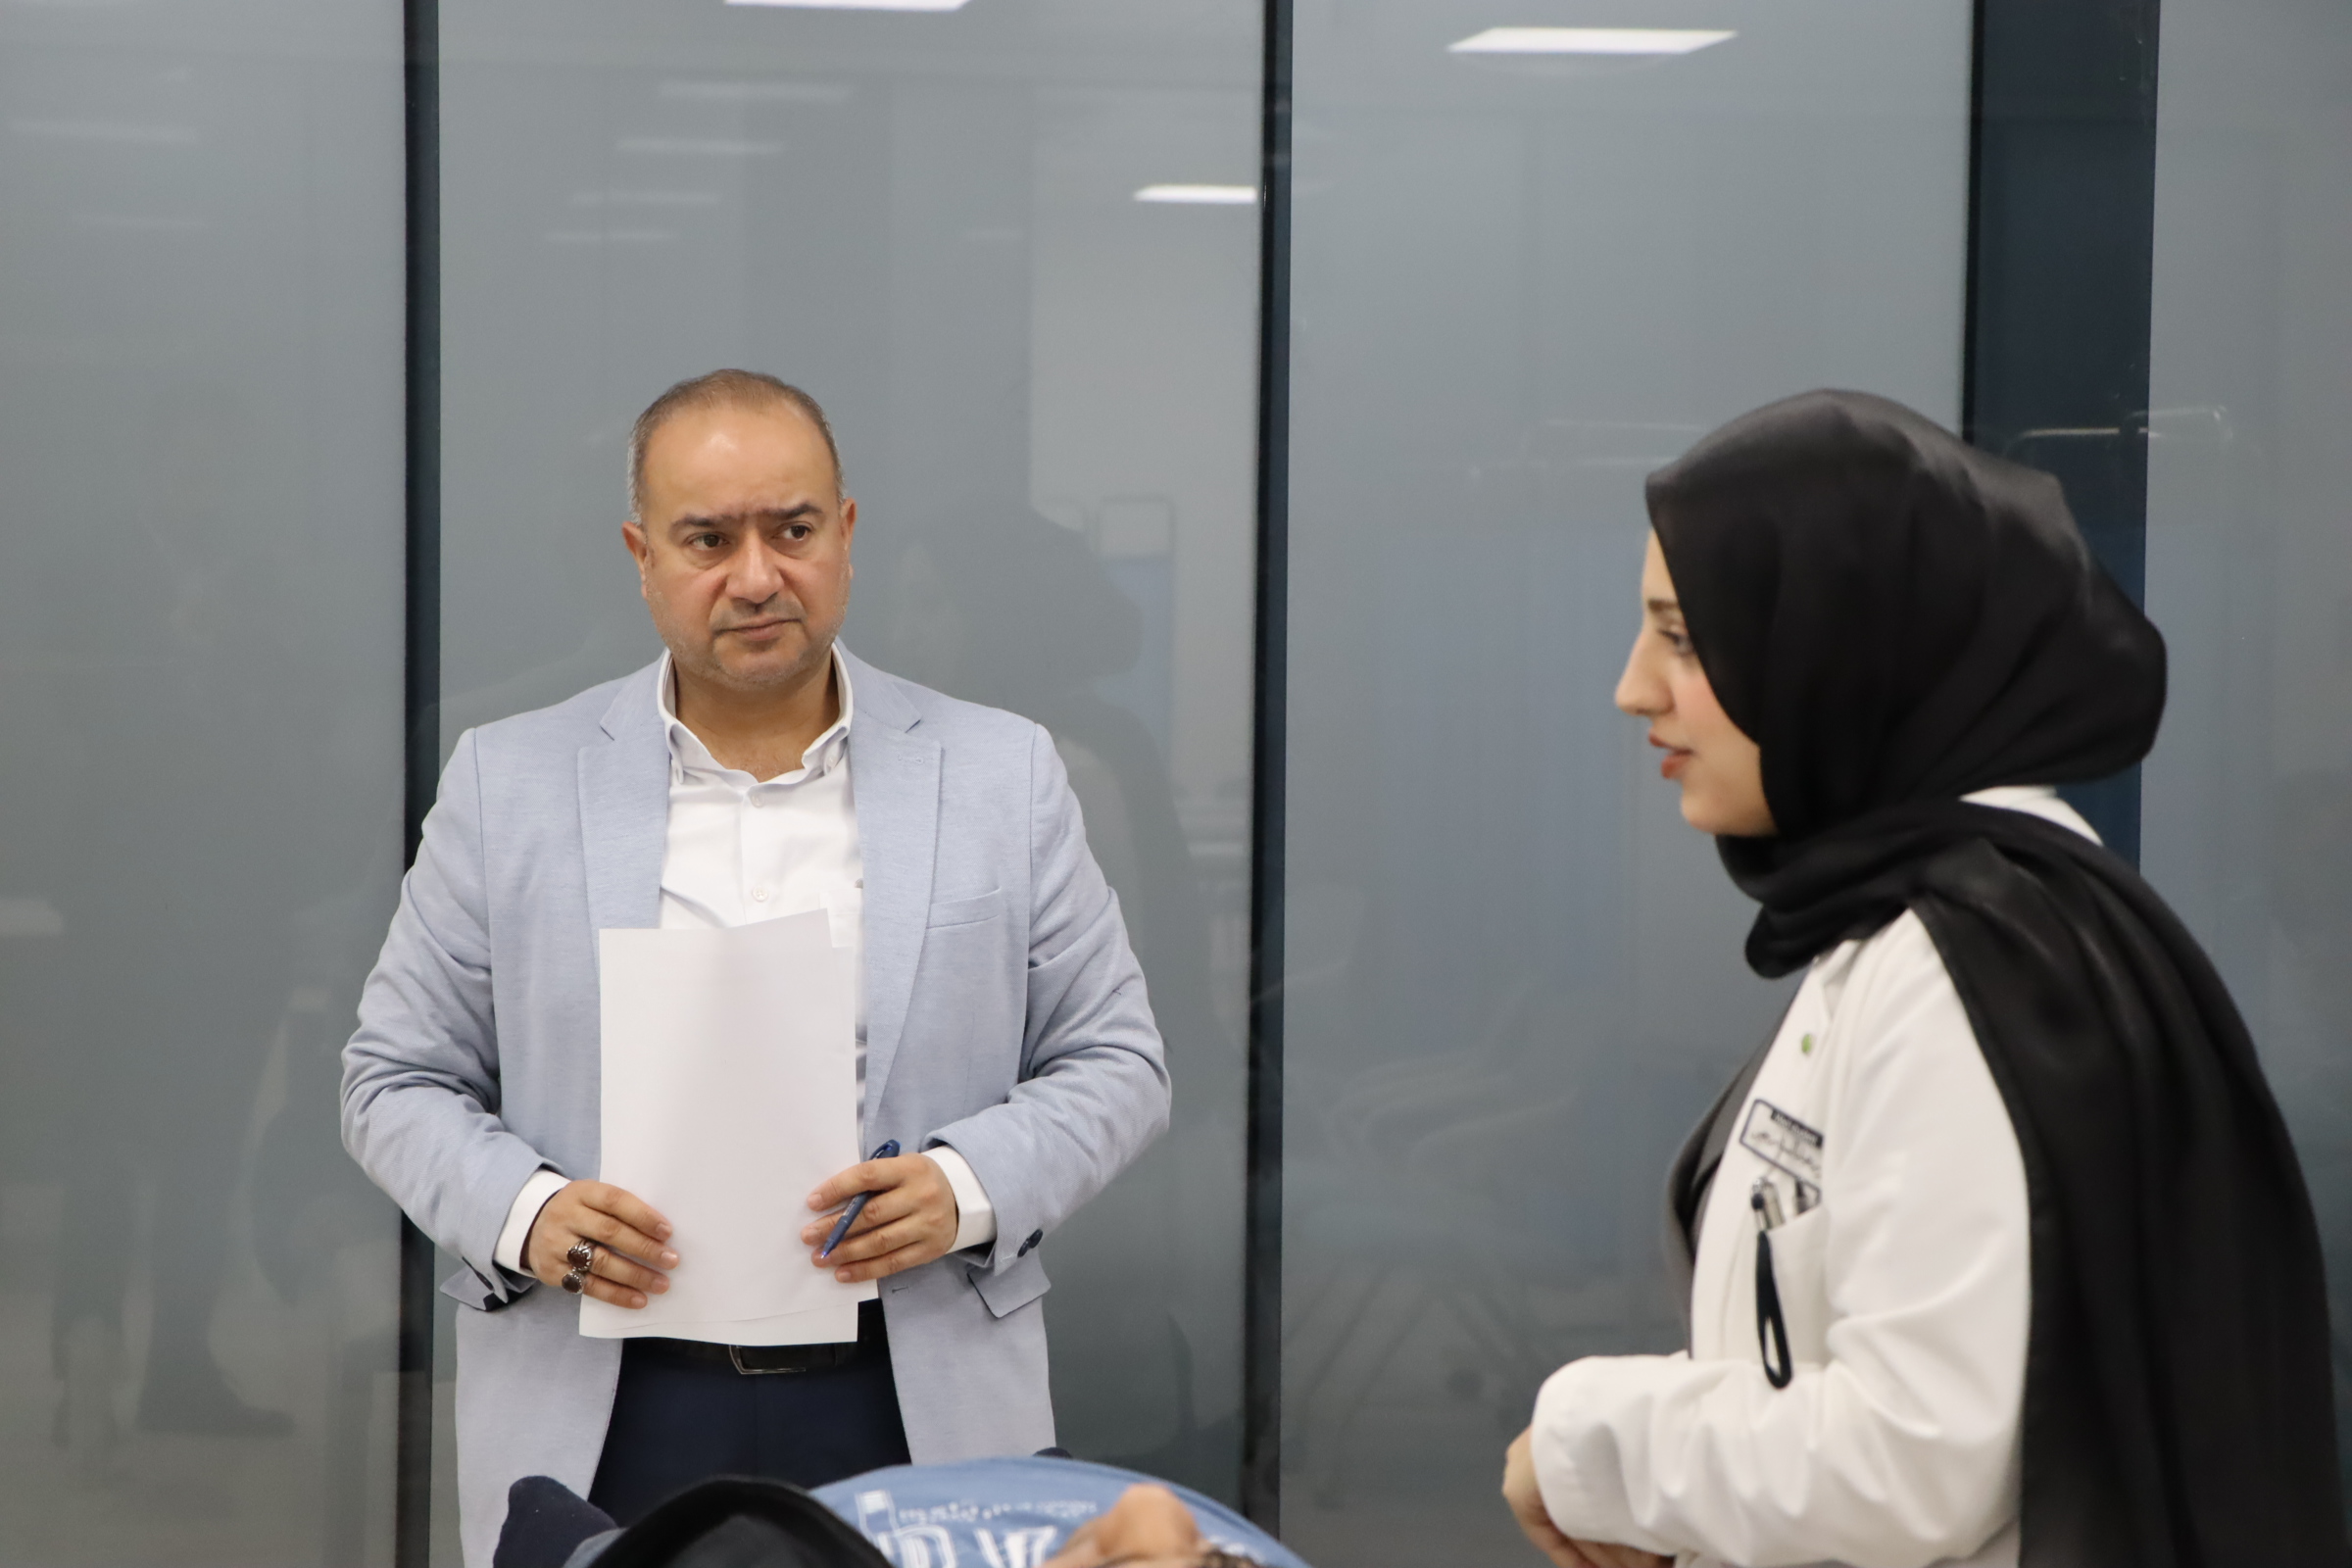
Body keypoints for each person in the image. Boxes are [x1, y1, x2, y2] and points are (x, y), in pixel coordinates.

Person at [1500, 390, 2345, 1567]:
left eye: (1685, 638)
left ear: (1836, 649)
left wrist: (1588, 1442)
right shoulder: (1925, 917)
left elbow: (1914, 1453)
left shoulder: (1968, 963)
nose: (1635, 687)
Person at [343, 369, 1170, 1567]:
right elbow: (393, 1078)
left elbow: (1119, 1061)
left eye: (791, 529)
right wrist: (527, 1213)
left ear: (846, 533)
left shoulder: (1002, 772)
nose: (756, 575)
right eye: (707, 539)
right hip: (606, 1393)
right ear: (641, 555)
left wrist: (966, 1183)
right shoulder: (506, 780)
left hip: (913, 1383)